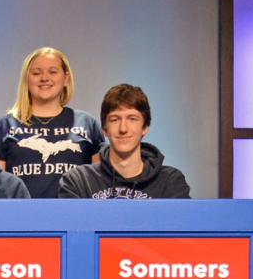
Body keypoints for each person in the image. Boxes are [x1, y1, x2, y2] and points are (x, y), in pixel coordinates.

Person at [0, 47, 104, 199]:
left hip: (74, 217)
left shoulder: (87, 123)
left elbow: (99, 185)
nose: (44, 78)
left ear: (66, 78)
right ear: (26, 79)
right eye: (36, 73)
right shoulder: (6, 124)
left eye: (53, 72)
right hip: (20, 218)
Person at [59, 84, 191, 200]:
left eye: (132, 119)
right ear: (104, 129)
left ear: (145, 127)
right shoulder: (78, 182)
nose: (123, 129)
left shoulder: (170, 182)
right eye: (115, 120)